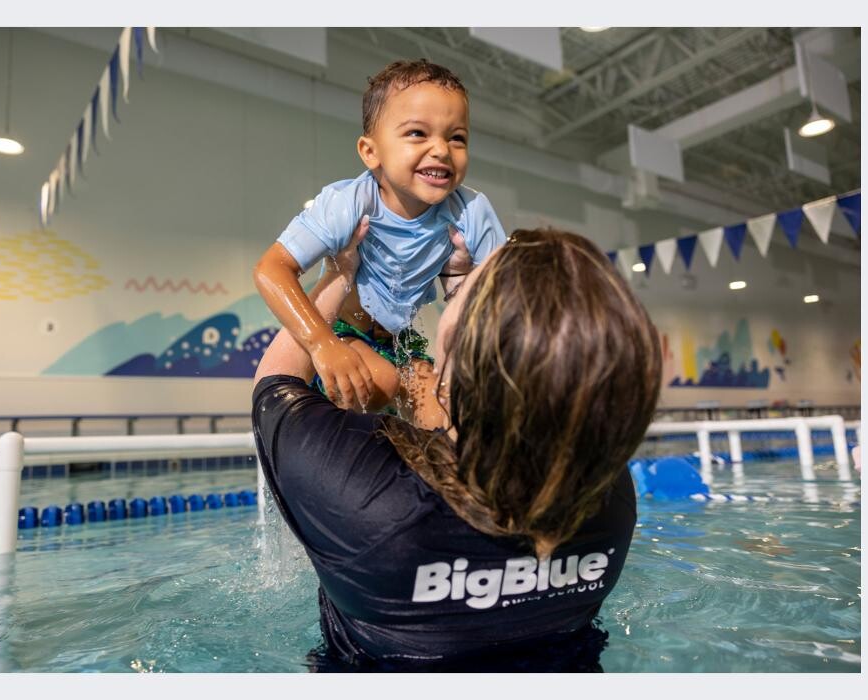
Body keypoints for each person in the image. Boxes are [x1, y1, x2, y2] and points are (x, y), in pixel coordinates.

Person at [252, 224, 663, 671]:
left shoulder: (369, 500)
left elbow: (274, 384)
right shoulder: (609, 497)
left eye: (475, 287)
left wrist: (339, 273)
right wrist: (462, 293)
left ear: (456, 345)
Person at [253, 59, 506, 430]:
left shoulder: (470, 211)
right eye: (418, 133)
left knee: (446, 423)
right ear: (371, 152)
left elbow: (510, 293)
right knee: (382, 383)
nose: (441, 149)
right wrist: (322, 343)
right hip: (342, 333)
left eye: (457, 137)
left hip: (403, 344)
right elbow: (271, 269)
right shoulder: (350, 203)